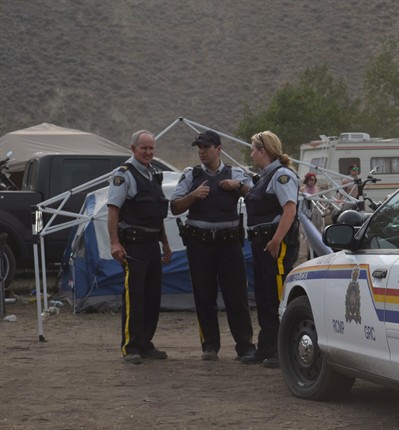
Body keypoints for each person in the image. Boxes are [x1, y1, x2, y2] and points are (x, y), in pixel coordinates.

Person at [169, 130, 255, 361]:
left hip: (229, 244)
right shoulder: (191, 175)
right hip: (200, 244)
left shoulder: (236, 173)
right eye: (199, 147)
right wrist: (194, 196)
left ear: (219, 148)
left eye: (206, 147)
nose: (202, 151)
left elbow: (257, 197)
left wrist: (239, 186)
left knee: (236, 295)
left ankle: (245, 345)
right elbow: (175, 207)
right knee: (203, 295)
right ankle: (210, 345)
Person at [107, 130, 172, 365]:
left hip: (152, 245)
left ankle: (145, 343)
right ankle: (131, 346)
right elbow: (113, 210)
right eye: (144, 148)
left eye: (152, 148)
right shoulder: (124, 175)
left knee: (152, 297)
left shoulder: (153, 175)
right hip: (133, 246)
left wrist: (165, 244)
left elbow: (157, 214)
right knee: (134, 296)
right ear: (133, 149)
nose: (148, 152)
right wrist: (115, 243)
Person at [241, 131, 299, 369]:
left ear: (263, 151)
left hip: (275, 244)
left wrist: (276, 239)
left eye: (254, 149)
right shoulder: (264, 177)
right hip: (260, 242)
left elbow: (290, 210)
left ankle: (281, 348)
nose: (252, 154)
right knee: (264, 296)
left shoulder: (282, 175)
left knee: (276, 295)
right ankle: (266, 346)